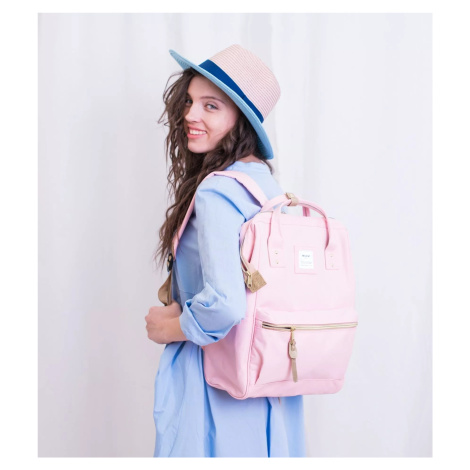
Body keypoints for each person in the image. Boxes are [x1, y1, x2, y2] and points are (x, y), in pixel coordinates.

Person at [145, 44, 306, 458]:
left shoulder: (217, 191)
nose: (190, 115)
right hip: (267, 377)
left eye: (211, 106)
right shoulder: (266, 186)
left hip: (213, 381)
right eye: (190, 101)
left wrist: (169, 328)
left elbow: (226, 305)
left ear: (241, 120)